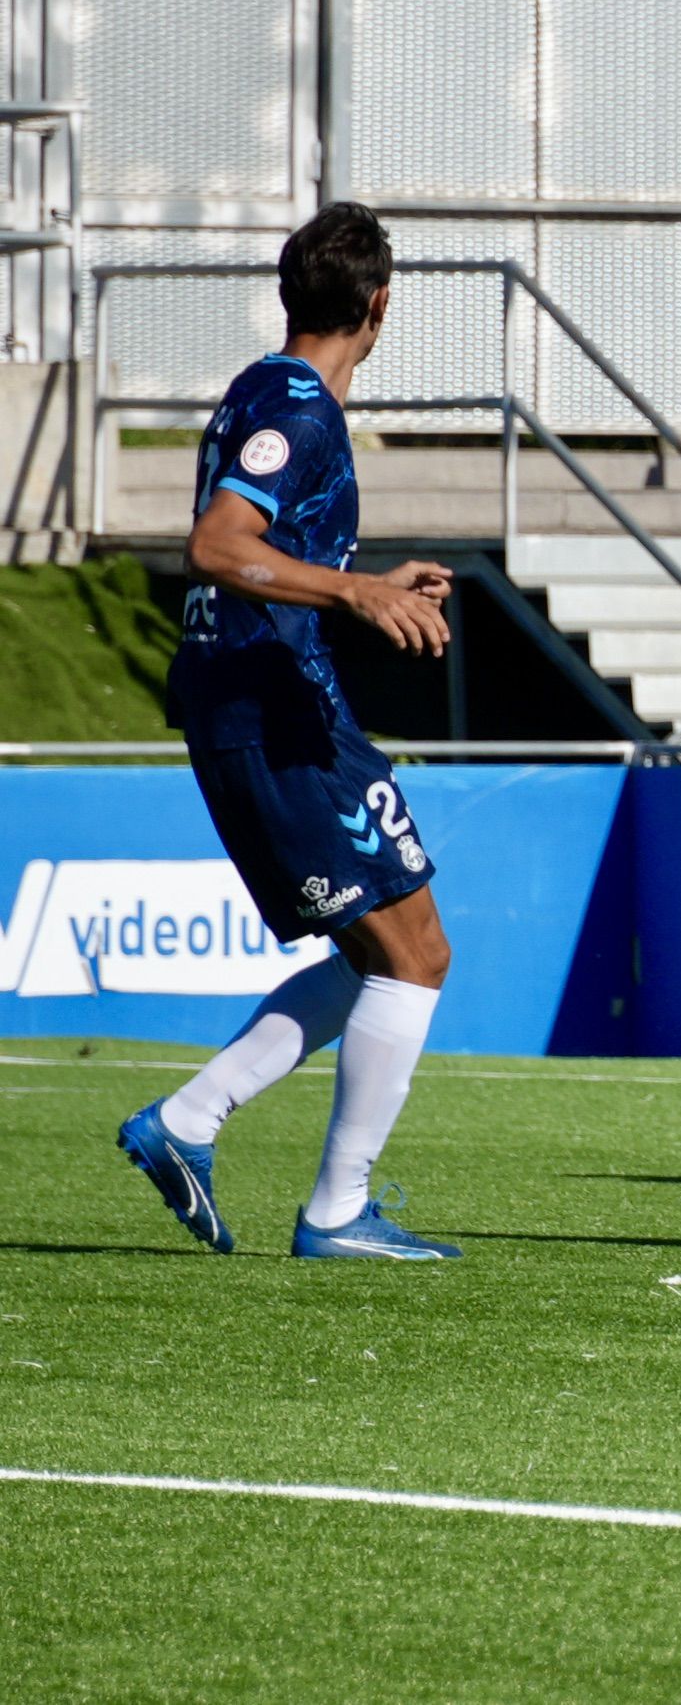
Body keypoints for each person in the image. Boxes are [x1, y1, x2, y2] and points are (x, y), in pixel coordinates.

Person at [114, 202, 464, 1261]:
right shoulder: (299, 405)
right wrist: (354, 594)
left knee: (391, 954)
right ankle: (335, 1213)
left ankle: (187, 1123)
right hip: (274, 712)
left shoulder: (271, 392)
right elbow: (219, 546)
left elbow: (264, 545)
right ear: (381, 304)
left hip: (270, 705)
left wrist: (361, 583)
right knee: (414, 953)